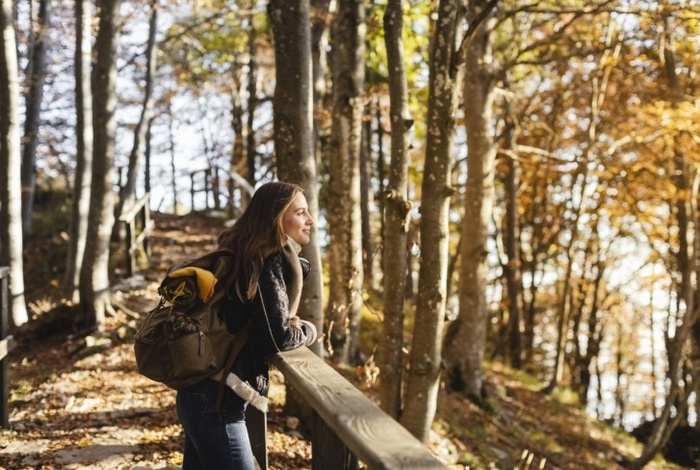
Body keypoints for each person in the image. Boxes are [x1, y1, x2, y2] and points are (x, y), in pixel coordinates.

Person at [176, 181, 318, 470]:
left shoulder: (247, 254)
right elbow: (279, 337)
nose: (310, 220)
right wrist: (310, 330)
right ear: (277, 217)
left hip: (203, 394)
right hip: (216, 403)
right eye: (301, 212)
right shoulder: (266, 260)